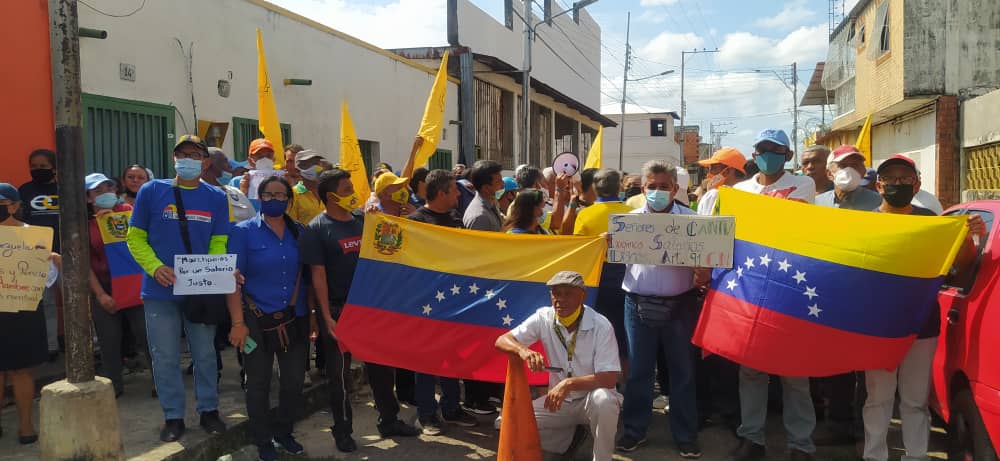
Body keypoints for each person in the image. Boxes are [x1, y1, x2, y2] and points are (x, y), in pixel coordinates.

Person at [862, 154, 986, 461]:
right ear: (879, 186)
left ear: (917, 185)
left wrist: (969, 237)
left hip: (922, 324)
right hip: (878, 327)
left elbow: (963, 265)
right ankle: (874, 456)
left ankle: (916, 456)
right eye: (890, 179)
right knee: (878, 397)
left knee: (915, 400)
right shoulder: (863, 223)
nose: (898, 184)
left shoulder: (934, 223)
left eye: (905, 179)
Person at [299, 169, 419, 452]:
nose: (352, 192)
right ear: (330, 196)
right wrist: (324, 316)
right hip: (339, 312)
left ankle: (389, 419)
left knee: (382, 368)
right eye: (346, 188)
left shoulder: (362, 221)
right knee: (339, 376)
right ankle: (342, 430)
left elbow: (386, 249)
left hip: (369, 309)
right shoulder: (317, 229)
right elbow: (317, 276)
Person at [126, 135, 230, 442]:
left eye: (194, 154)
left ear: (205, 161)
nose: (187, 159)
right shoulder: (151, 190)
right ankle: (173, 417)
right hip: (159, 292)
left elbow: (219, 240)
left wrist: (207, 272)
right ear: (174, 158)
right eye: (182, 154)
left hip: (199, 291)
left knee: (205, 354)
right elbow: (135, 237)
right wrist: (155, 267)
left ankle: (209, 410)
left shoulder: (215, 196)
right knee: (165, 357)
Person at [730, 129, 816, 461]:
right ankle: (751, 438)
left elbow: (790, 221)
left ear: (788, 155)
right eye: (762, 149)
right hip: (751, 285)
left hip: (790, 286)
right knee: (751, 371)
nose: (768, 154)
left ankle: (801, 444)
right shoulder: (739, 190)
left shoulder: (803, 185)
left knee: (795, 372)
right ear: (753, 155)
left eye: (775, 149)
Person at [615, 161, 702, 459]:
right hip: (637, 305)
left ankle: (686, 435)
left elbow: (707, 269)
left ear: (675, 189)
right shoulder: (627, 223)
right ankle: (633, 431)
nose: (657, 191)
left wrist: (703, 270)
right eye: (652, 186)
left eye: (664, 187)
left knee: (683, 372)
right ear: (643, 189)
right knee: (639, 371)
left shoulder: (694, 221)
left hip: (682, 305)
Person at [495, 271, 622, 460]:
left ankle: (603, 458)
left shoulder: (600, 325)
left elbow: (610, 378)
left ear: (583, 295)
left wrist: (568, 383)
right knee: (504, 422)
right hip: (558, 401)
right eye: (556, 293)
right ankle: (568, 440)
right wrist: (524, 351)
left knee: (605, 401)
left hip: (589, 399)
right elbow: (502, 340)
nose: (560, 300)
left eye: (567, 294)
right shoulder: (544, 317)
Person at [226, 176, 309, 461]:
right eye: (268, 195)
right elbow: (232, 281)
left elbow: (309, 275)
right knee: (258, 383)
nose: (274, 199)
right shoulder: (242, 232)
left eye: (280, 195)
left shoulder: (300, 232)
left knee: (294, 381)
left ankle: (284, 432)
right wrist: (238, 323)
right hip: (254, 321)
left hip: (294, 319)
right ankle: (262, 440)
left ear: (289, 199)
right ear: (259, 198)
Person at [405, 170, 479, 434]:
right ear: (440, 194)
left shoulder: (454, 218)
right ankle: (426, 415)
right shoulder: (416, 222)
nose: (460, 195)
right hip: (426, 304)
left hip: (455, 302)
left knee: (452, 357)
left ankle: (451, 407)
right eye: (455, 190)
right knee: (426, 360)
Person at [85, 173, 148, 397]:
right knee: (109, 341)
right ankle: (114, 386)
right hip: (103, 287)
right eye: (98, 191)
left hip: (133, 285)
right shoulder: (84, 225)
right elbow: (85, 265)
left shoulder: (128, 214)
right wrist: (101, 295)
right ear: (88, 198)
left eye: (108, 189)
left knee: (145, 334)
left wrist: (112, 223)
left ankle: (161, 382)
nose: (105, 194)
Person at [0, 183, 54, 445]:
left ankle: (25, 426)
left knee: (22, 371)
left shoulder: (35, 236)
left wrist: (52, 259)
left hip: (23, 308)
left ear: (15, 205)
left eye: (3, 203)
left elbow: (48, 279)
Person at [572, 169, 633, 365]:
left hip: (596, 277)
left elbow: (578, 248)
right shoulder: (632, 213)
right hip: (627, 274)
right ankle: (623, 379)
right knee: (623, 331)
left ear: (594, 189)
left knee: (597, 327)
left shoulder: (584, 214)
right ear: (619, 187)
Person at [460, 159, 506, 414]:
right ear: (487, 186)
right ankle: (474, 399)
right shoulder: (478, 215)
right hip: (481, 288)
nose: (501, 183)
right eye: (498, 180)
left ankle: (485, 394)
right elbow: (477, 257)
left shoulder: (491, 206)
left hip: (492, 284)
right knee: (477, 344)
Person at [18, 149, 61, 358]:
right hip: (37, 256)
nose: (38, 170)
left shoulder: (66, 189)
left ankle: (93, 345)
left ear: (54, 167)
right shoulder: (24, 191)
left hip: (66, 254)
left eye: (43, 166)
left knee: (78, 300)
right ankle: (50, 346)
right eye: (34, 166)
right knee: (46, 303)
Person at [815, 145, 882, 211]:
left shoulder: (879, 202)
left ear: (863, 171)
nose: (850, 170)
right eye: (843, 165)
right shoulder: (817, 202)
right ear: (829, 174)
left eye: (855, 165)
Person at [205, 148, 256, 222]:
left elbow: (252, 221)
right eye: (225, 161)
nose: (230, 166)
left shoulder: (236, 192)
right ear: (209, 163)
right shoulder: (198, 193)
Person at [695, 147, 748, 217]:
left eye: (713, 168)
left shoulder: (713, 195)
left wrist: (710, 197)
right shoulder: (752, 195)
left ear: (727, 171)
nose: (709, 174)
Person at [288, 150, 331, 225]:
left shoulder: (329, 191)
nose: (314, 167)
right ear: (298, 170)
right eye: (309, 164)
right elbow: (291, 225)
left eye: (316, 163)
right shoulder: (293, 194)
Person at [462, 160, 505, 232]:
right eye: (498, 182)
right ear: (486, 188)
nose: (503, 184)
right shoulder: (480, 217)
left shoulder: (492, 204)